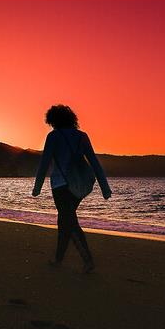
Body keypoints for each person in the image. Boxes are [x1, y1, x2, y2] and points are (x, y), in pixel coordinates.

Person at [32, 104, 112, 273]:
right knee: (64, 221)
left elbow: (44, 163)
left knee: (68, 221)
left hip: (60, 185)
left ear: (53, 120)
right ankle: (58, 259)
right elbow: (95, 162)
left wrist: (37, 187)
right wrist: (105, 187)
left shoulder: (53, 136)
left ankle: (88, 260)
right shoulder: (82, 136)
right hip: (79, 185)